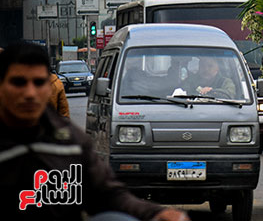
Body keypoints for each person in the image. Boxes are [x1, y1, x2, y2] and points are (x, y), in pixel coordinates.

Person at [0, 42, 189, 221]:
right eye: (19, 83)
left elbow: (108, 195)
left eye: (39, 83)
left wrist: (157, 213)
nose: (30, 93)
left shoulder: (71, 142)